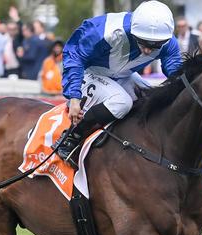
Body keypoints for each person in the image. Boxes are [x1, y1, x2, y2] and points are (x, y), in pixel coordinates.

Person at [55, 0, 182, 162]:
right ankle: (70, 138)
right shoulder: (105, 30)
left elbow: (176, 72)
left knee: (151, 99)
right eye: (143, 42)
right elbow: (74, 55)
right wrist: (74, 97)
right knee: (122, 102)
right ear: (134, 31)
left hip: (121, 75)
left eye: (156, 45)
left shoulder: (168, 41)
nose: (149, 50)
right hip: (88, 72)